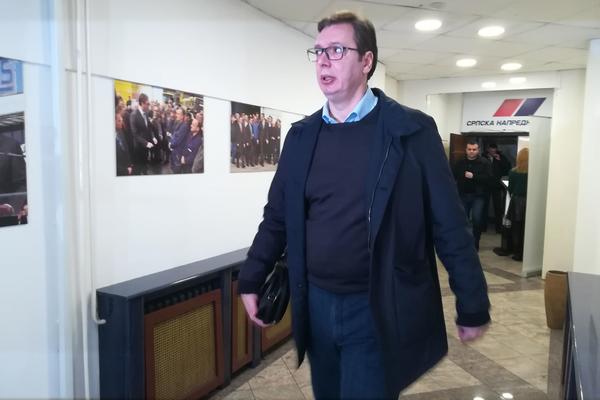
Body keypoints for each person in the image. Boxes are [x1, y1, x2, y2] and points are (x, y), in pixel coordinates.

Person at [237, 11, 490, 399]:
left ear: (367, 61)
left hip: (378, 306)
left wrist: (472, 302)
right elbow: (277, 216)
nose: (324, 61)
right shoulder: (302, 137)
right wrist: (252, 276)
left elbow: (449, 223)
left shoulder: (411, 132)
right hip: (315, 304)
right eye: (319, 51)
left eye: (337, 50)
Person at [453, 141, 492, 251]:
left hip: (478, 195)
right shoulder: (460, 162)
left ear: (478, 150)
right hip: (462, 194)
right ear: (466, 150)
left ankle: (475, 243)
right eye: (469, 149)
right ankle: (463, 243)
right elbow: (453, 175)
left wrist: (474, 176)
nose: (471, 151)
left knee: (477, 220)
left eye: (474, 149)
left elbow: (489, 178)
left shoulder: (485, 162)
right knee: (462, 220)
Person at [483, 143, 511, 232]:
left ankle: (498, 228)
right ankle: (483, 227)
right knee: (484, 206)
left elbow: (508, 169)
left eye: (494, 151)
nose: (492, 152)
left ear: (496, 150)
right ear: (488, 150)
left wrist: (499, 160)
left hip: (497, 186)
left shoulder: (501, 157)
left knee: (498, 207)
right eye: (491, 151)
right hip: (486, 185)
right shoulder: (483, 157)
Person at [507, 148, 529, 261]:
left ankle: (517, 253)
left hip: (516, 202)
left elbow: (510, 189)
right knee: (526, 228)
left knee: (516, 228)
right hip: (528, 201)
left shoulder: (513, 172)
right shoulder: (532, 173)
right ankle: (526, 253)